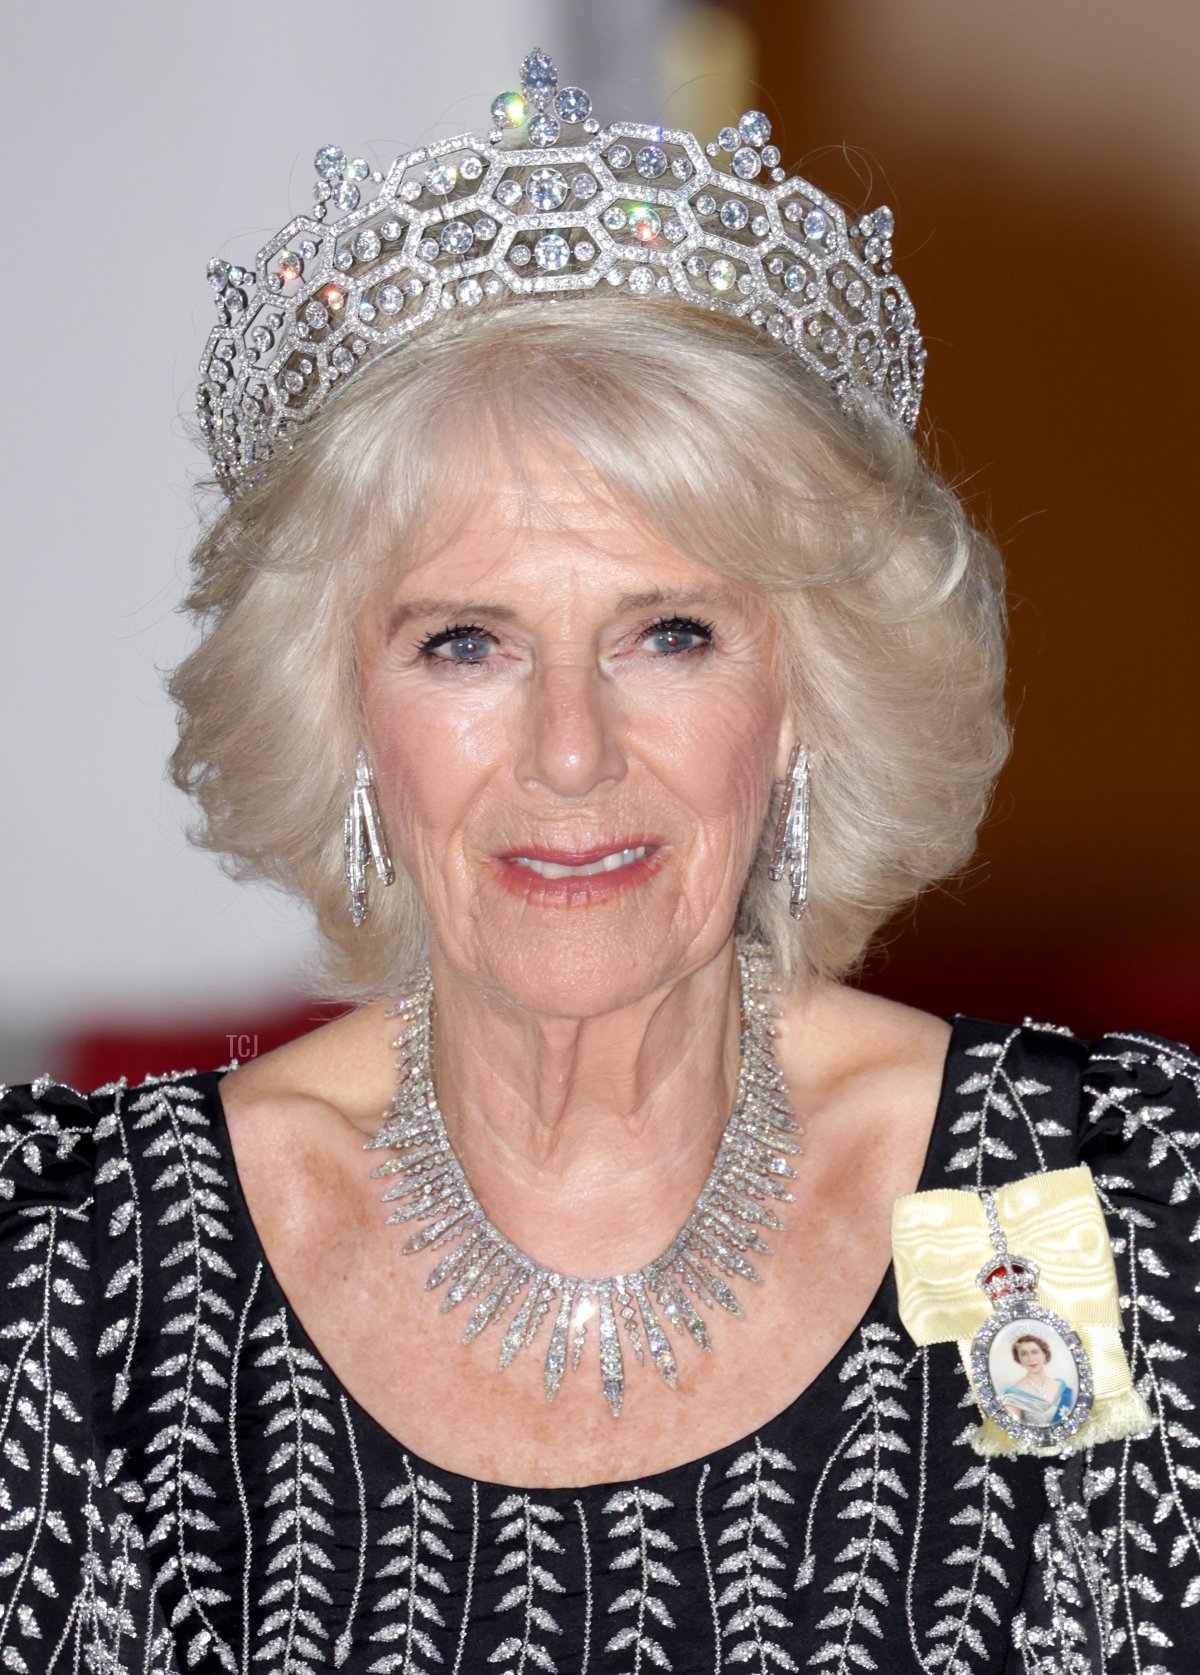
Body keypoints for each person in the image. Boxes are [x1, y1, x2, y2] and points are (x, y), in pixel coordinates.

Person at [2, 45, 1197, 1674]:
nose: (571, 752)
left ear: (803, 701)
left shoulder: (1076, 1199)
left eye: (670, 633)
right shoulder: (84, 1280)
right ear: (345, 713)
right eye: (467, 642)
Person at [1001, 1335, 1075, 1429]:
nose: (1031, 1358)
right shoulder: (1013, 1395)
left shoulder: (1062, 1387)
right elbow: (1012, 1429)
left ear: (1044, 1355)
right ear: (1019, 1359)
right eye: (1024, 1354)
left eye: (1035, 1352)